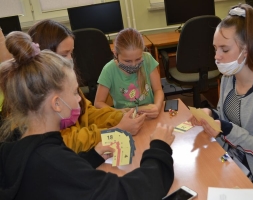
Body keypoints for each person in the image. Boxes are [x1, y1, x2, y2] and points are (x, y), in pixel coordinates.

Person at [0, 31, 175, 200]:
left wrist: (92, 156)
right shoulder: (54, 163)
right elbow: (128, 193)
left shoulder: (14, 151)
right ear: (56, 103)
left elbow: (63, 175)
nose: (79, 100)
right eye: (75, 92)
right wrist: (159, 148)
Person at [0, 20, 146, 153]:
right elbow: (65, 142)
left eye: (71, 52)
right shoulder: (32, 99)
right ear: (45, 57)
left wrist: (122, 116)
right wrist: (116, 130)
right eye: (64, 54)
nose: (71, 59)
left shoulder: (65, 82)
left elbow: (88, 113)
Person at [190, 4, 253, 189]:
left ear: (247, 49)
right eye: (215, 49)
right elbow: (224, 118)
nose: (217, 57)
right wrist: (211, 115)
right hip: (230, 157)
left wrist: (225, 129)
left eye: (224, 50)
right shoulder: (228, 78)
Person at [95, 28, 164, 119]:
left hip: (149, 115)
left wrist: (157, 107)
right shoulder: (109, 70)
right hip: (125, 118)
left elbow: (158, 90)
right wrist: (119, 113)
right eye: (127, 61)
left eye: (138, 59)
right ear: (116, 54)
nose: (134, 64)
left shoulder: (147, 59)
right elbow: (98, 103)